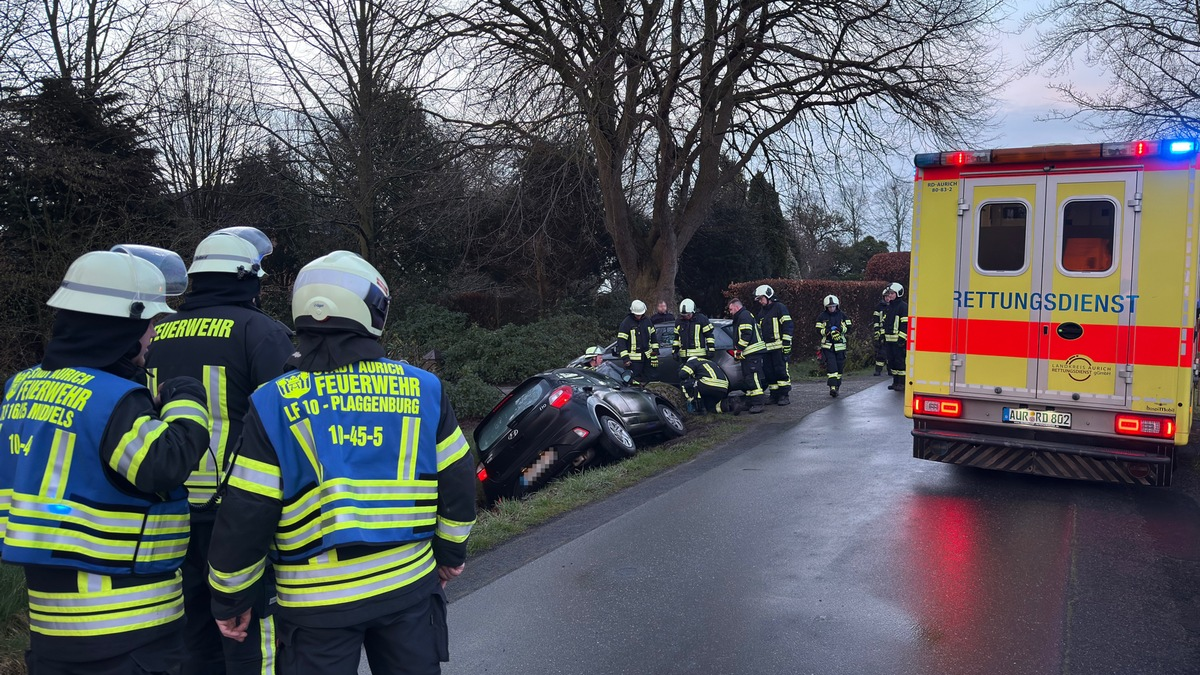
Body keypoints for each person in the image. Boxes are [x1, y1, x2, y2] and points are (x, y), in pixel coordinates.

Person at [206, 251, 477, 675]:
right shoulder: (424, 389)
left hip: (315, 607)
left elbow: (247, 512)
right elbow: (458, 481)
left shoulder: (273, 402)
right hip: (407, 586)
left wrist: (231, 597)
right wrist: (450, 553)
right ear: (370, 312)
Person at [0, 246, 211, 674]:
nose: (153, 336)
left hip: (50, 625)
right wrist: (186, 396)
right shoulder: (113, 401)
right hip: (129, 626)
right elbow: (166, 463)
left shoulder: (19, 387)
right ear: (122, 326)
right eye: (149, 324)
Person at [143, 227, 295, 675]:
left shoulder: (156, 332)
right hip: (239, 512)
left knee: (192, 639)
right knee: (251, 635)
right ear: (250, 279)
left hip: (167, 511)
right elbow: (288, 427)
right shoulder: (263, 333)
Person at [726, 297, 769, 414]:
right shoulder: (743, 316)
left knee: (753, 378)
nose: (730, 312)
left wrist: (739, 348)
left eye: (731, 309)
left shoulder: (743, 316)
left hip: (752, 353)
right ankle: (750, 401)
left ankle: (758, 403)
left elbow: (746, 334)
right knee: (749, 379)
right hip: (749, 354)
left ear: (736, 307)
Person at [754, 285, 794, 406]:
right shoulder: (762, 312)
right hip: (766, 349)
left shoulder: (779, 308)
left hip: (779, 347)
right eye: (759, 299)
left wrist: (786, 343)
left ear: (768, 296)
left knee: (781, 371)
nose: (760, 301)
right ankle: (774, 395)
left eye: (761, 298)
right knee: (769, 373)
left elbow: (788, 325)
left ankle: (784, 395)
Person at [815, 295, 852, 397]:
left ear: (837, 306)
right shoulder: (822, 317)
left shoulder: (843, 316)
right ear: (826, 307)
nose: (831, 308)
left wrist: (840, 330)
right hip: (828, 347)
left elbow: (849, 327)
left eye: (833, 306)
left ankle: (837, 386)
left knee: (839, 368)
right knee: (832, 367)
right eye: (829, 307)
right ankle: (832, 388)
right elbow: (817, 329)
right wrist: (827, 332)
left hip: (840, 346)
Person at [616, 299, 659, 384]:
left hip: (647, 357)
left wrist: (655, 353)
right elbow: (621, 342)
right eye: (637, 315)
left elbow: (653, 338)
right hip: (633, 361)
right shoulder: (626, 323)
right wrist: (625, 359)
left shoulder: (647, 321)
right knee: (634, 382)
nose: (638, 316)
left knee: (651, 379)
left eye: (640, 314)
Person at [881, 282, 909, 391]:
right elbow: (885, 322)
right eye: (889, 294)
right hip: (889, 340)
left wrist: (902, 338)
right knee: (891, 362)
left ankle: (901, 383)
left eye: (892, 293)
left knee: (900, 362)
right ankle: (895, 382)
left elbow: (905, 324)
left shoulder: (903, 307)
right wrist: (882, 335)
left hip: (898, 340)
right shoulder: (889, 307)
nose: (890, 295)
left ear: (898, 293)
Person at [871, 288, 890, 376]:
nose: (887, 298)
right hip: (881, 332)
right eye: (886, 296)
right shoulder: (879, 307)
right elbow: (876, 320)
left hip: (891, 332)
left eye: (889, 296)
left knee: (891, 353)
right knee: (881, 352)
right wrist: (877, 331)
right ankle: (878, 370)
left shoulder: (894, 306)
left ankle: (890, 370)